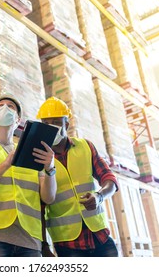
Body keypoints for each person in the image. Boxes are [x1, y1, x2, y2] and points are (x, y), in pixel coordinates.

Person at [0, 93, 57, 257]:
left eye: (11, 107)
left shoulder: (32, 151)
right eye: (0, 106)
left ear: (18, 120)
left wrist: (50, 168)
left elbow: (48, 197)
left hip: (30, 239)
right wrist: (6, 164)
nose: (5, 108)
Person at [37, 96, 119, 257]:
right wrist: (43, 245)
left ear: (66, 124)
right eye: (46, 124)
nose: (51, 128)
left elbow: (110, 180)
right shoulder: (39, 159)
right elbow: (39, 207)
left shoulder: (85, 147)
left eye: (56, 122)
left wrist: (99, 196)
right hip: (67, 244)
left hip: (100, 237)